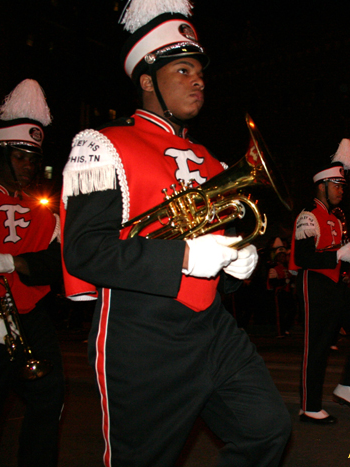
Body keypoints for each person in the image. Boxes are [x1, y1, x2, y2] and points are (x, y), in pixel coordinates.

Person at [59, 2, 290, 466]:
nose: (198, 80)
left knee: (268, 430)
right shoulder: (103, 145)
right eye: (183, 70)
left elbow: (213, 258)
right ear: (147, 81)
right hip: (141, 335)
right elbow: (84, 251)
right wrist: (183, 257)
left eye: (200, 71)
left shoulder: (211, 161)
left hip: (215, 330)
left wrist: (235, 262)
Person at [0, 80, 65, 467]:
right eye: (20, 157)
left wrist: (13, 261)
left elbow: (59, 265)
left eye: (33, 158)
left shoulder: (41, 211)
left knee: (50, 400)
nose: (29, 166)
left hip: (30, 319)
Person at [289, 139, 350, 424]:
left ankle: (348, 385)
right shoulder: (308, 216)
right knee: (318, 346)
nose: (341, 190)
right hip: (314, 285)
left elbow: (338, 254)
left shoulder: (336, 220)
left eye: (342, 185)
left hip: (336, 286)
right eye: (336, 185)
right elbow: (303, 258)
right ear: (322, 185)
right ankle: (309, 406)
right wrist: (337, 254)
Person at [267, 237, 296, 337]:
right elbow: (273, 282)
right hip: (279, 293)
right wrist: (284, 281)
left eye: (284, 256)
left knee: (291, 310)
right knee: (281, 313)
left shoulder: (286, 268)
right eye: (280, 256)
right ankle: (280, 331)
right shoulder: (274, 268)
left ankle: (286, 328)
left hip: (287, 292)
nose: (282, 258)